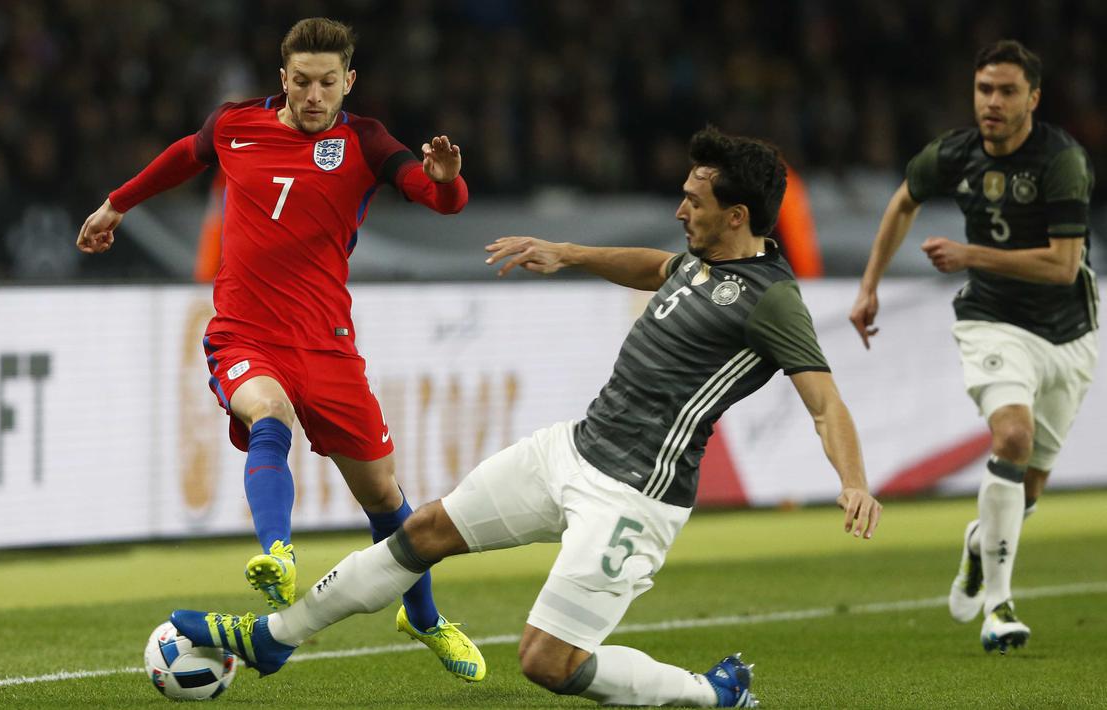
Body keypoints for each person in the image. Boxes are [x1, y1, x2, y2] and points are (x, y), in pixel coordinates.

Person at [170, 127, 883, 707]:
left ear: (736, 217)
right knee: (423, 531)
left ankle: (712, 694)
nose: (678, 211)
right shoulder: (699, 260)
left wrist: (853, 481)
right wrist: (566, 252)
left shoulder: (771, 300)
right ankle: (274, 637)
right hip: (572, 449)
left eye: (692, 201)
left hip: (634, 497)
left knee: (547, 661)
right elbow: (652, 267)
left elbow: (825, 403)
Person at [75, 17, 485, 680]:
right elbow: (184, 155)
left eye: (327, 82)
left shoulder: (366, 141)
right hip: (245, 332)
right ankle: (278, 553)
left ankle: (425, 617)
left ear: (348, 81)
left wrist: (446, 180)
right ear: (283, 79)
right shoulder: (235, 124)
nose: (314, 95)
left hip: (327, 346)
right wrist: (117, 204)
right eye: (302, 81)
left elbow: (440, 200)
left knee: (384, 497)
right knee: (269, 414)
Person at [848, 39, 1097, 654]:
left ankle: (980, 542)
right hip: (992, 320)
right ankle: (999, 607)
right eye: (985, 89)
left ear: (1033, 99)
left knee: (1028, 486)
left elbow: (1064, 266)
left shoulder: (1061, 160)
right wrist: (869, 285)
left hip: (1067, 332)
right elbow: (903, 201)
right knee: (1011, 436)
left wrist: (970, 254)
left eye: (1008, 91)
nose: (993, 102)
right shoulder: (955, 152)